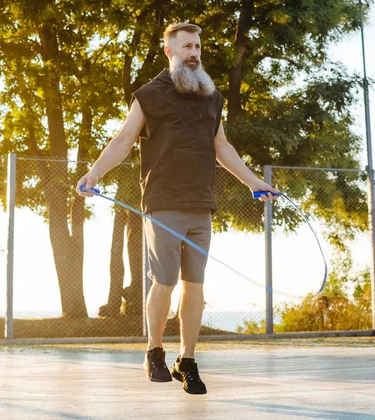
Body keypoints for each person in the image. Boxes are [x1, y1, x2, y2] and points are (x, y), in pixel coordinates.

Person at [76, 22, 278, 395]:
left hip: (202, 203)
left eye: (198, 46)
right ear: (169, 52)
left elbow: (223, 148)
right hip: (163, 203)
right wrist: (94, 172)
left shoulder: (210, 96)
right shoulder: (150, 95)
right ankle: (154, 350)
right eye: (186, 46)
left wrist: (254, 182)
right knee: (165, 282)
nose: (194, 53)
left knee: (195, 286)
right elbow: (123, 140)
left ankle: (187, 361)